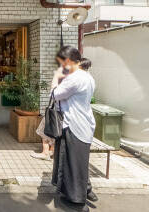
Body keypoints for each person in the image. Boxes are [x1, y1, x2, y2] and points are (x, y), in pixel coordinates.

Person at [51, 46, 97, 210]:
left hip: (73, 125)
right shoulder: (87, 76)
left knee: (71, 163)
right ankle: (86, 189)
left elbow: (55, 94)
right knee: (80, 161)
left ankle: (76, 200)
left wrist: (56, 77)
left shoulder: (74, 78)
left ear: (68, 61)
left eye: (61, 63)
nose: (61, 66)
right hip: (85, 123)